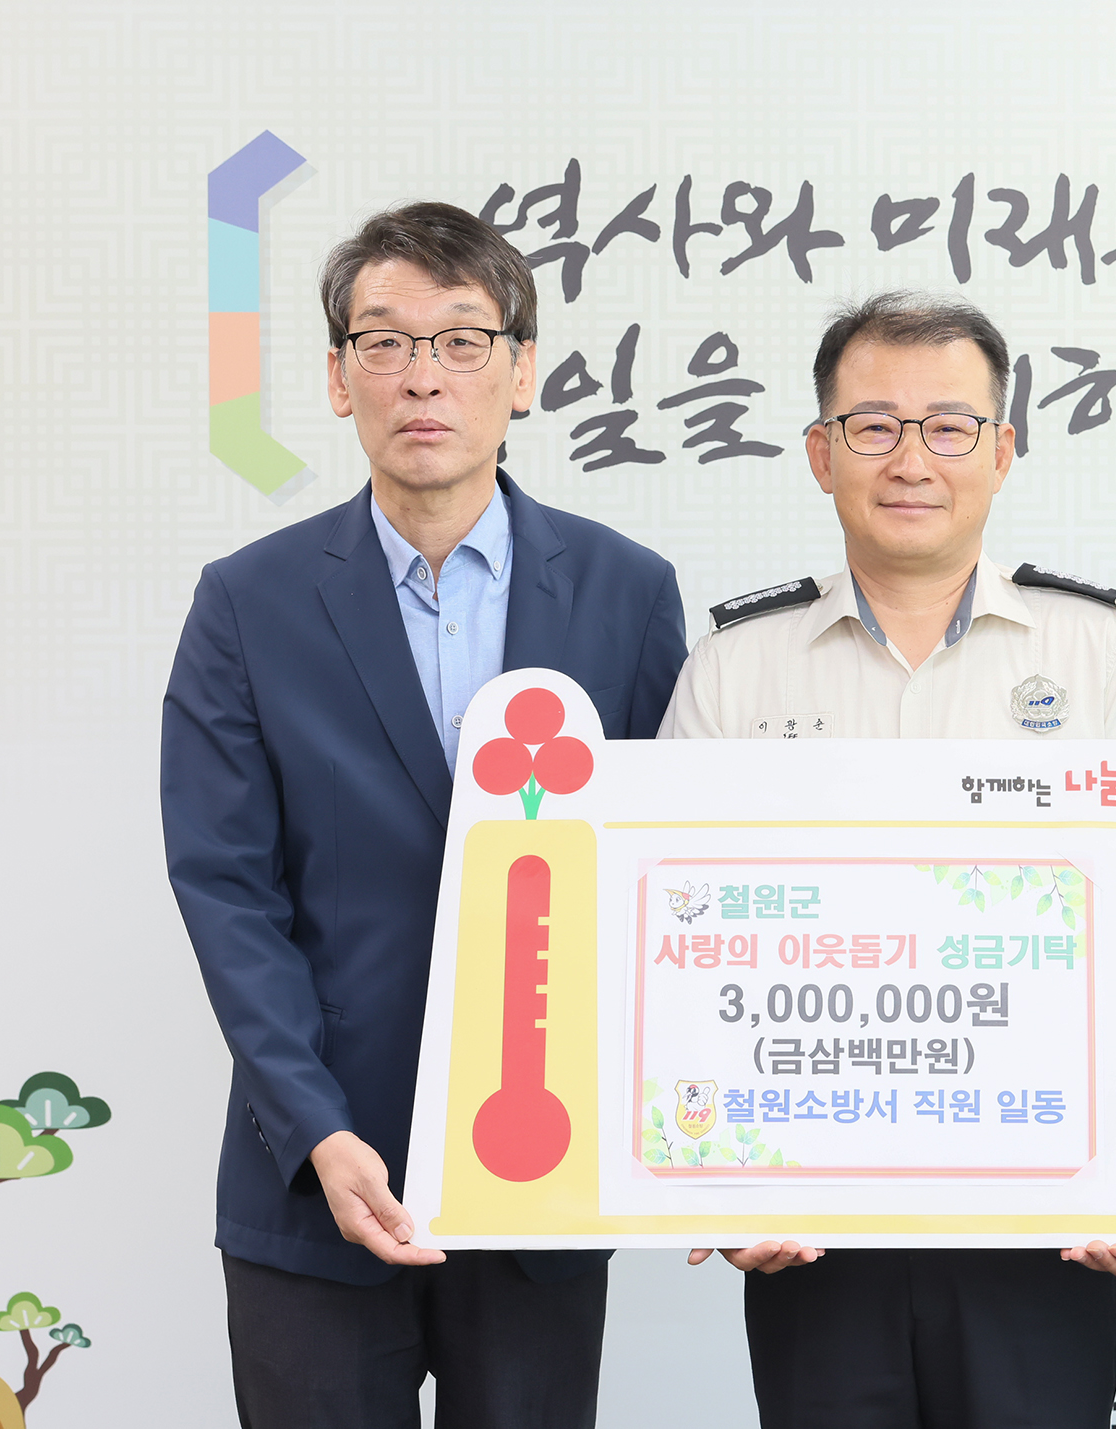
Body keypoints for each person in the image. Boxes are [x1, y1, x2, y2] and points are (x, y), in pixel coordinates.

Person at [161, 201, 688, 1427]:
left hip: (543, 1173)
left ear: (522, 371)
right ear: (337, 377)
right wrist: (316, 1128)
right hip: (318, 1174)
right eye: (384, 341)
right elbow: (226, 889)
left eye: (460, 340)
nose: (421, 377)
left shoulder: (626, 591)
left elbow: (663, 876)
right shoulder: (248, 602)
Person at [658, 291, 1116, 1429]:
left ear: (1001, 451)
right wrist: (712, 1179)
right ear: (820, 453)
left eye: (949, 427)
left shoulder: (1098, 646)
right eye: (873, 426)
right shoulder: (736, 666)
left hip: (1049, 1216)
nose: (911, 459)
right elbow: (671, 943)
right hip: (809, 1220)